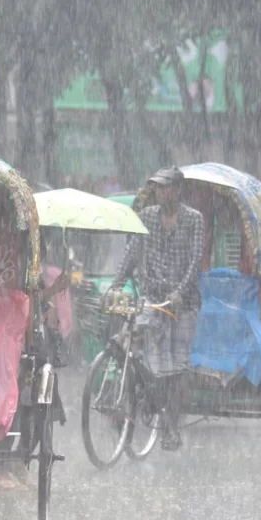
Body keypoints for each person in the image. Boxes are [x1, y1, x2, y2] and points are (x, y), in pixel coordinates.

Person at [105, 166, 204, 451]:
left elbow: (195, 261)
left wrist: (179, 292)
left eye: (166, 187)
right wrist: (116, 285)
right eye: (158, 188)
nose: (161, 192)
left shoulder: (193, 220)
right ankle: (137, 396)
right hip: (152, 297)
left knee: (177, 365)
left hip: (182, 303)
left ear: (177, 190)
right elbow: (131, 254)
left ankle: (171, 424)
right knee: (135, 338)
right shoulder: (147, 217)